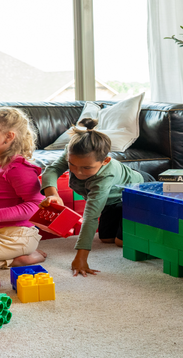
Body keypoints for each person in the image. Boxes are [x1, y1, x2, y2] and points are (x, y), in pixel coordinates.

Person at [39, 118, 155, 277]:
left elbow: (91, 216)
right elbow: (52, 170)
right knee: (106, 239)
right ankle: (121, 215)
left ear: (105, 161)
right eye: (72, 165)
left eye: (86, 168)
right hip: (112, 200)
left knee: (120, 242)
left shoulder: (105, 176)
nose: (78, 172)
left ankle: (148, 230)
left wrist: (81, 257)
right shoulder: (71, 152)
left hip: (138, 194)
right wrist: (52, 194)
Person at [0, 107, 47, 269]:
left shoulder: (18, 168)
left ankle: (19, 258)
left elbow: (36, 206)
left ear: (8, 137)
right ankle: (14, 258)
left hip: (17, 235)